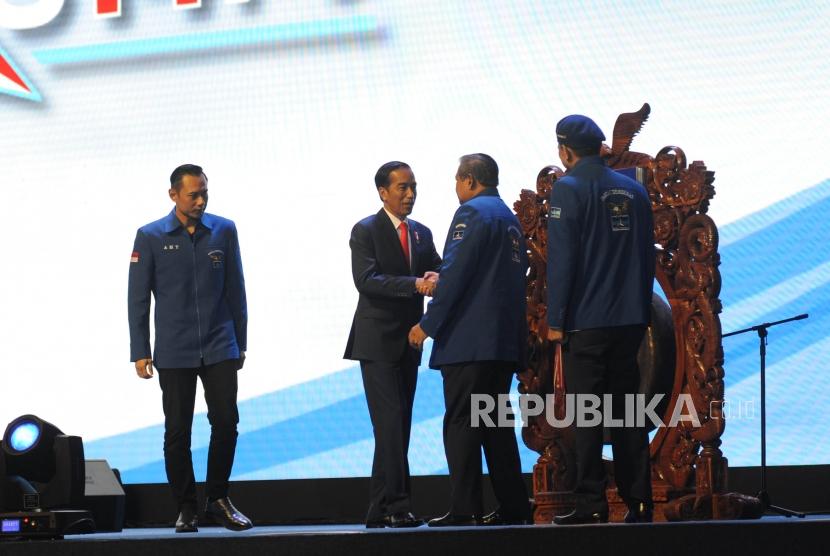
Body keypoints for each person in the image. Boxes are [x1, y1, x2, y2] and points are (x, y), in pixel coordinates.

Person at [128, 164, 252, 533]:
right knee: (177, 431)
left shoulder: (224, 230)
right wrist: (140, 349)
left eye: (204, 194)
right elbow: (138, 299)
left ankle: (217, 499)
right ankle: (186, 507)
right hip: (174, 348)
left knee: (227, 423)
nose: (200, 201)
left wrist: (240, 342)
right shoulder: (149, 235)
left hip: (219, 344)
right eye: (192, 195)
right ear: (173, 195)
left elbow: (237, 289)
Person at [408, 153, 531, 527]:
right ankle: (513, 506)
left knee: (462, 422)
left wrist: (427, 325)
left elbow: (460, 275)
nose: (455, 188)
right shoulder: (510, 219)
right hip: (501, 344)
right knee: (495, 424)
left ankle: (465, 508)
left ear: (469, 180)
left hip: (470, 343)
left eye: (457, 180)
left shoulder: (471, 213)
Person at [546, 115, 656, 524]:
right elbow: (647, 258)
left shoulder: (568, 188)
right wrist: (640, 312)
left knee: (588, 415)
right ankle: (639, 503)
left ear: (565, 151)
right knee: (628, 413)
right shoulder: (634, 189)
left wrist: (556, 319)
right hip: (630, 323)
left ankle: (591, 505)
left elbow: (563, 263)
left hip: (585, 323)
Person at [344, 161, 442, 528]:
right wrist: (415, 283)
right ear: (383, 192)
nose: (410, 194)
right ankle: (398, 506)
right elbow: (366, 280)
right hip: (376, 342)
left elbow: (438, 267)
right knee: (390, 424)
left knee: (397, 425)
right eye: (402, 187)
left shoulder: (421, 233)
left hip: (409, 341)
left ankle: (378, 509)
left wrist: (436, 274)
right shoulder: (365, 230)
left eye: (413, 187)